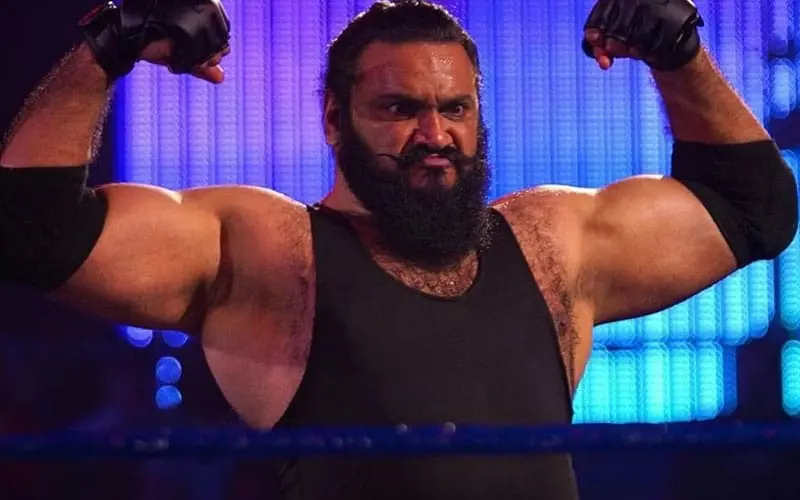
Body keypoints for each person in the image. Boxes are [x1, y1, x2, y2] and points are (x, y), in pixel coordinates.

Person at [0, 0, 797, 498]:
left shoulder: (552, 243)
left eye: (456, 108)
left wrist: (679, 52)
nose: (434, 134)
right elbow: (31, 232)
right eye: (398, 108)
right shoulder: (269, 252)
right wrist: (107, 47)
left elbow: (754, 210)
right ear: (333, 119)